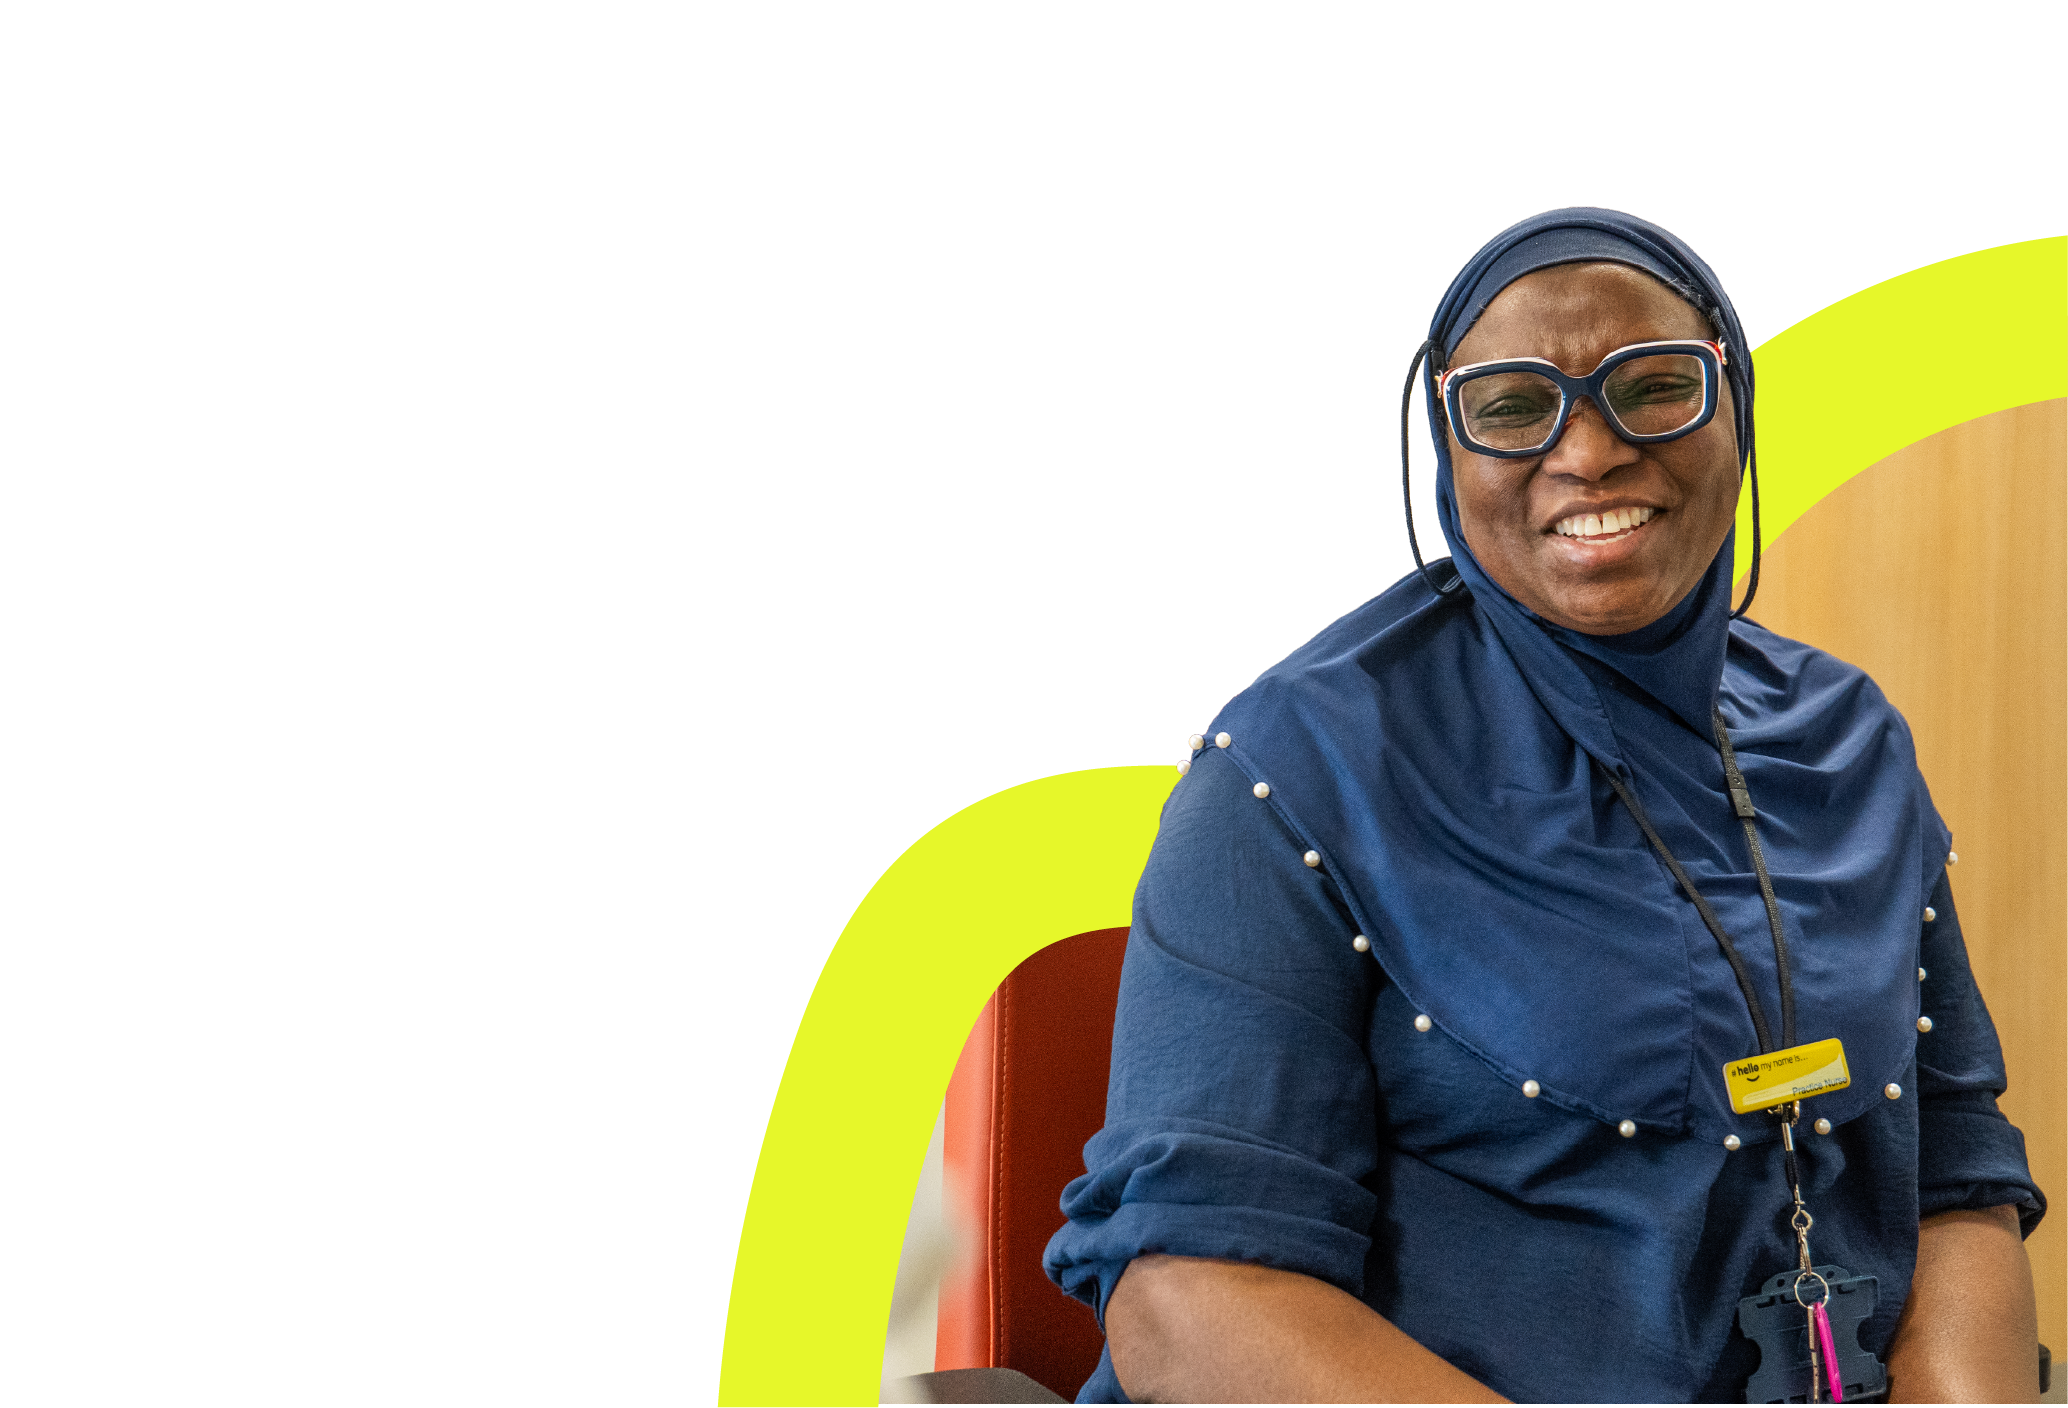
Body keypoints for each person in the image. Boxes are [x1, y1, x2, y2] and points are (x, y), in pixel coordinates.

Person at [1042, 209, 2045, 1406]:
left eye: (1655, 386)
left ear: (1736, 405)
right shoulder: (1293, 768)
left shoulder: (1849, 735)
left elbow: (1954, 1180)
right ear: (1441, 445)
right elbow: (1186, 1301)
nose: (1588, 451)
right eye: (1516, 407)